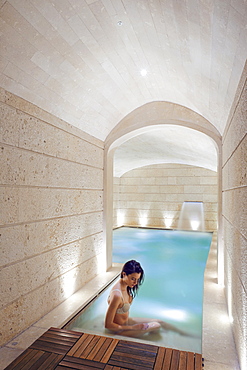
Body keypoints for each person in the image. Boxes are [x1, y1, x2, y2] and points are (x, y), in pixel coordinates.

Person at [105, 259, 187, 338]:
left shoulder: (126, 286)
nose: (136, 283)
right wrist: (134, 328)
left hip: (126, 323)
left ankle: (183, 334)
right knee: (156, 325)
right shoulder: (117, 295)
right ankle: (153, 337)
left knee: (159, 321)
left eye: (137, 279)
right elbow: (108, 325)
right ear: (124, 274)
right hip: (118, 331)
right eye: (133, 279)